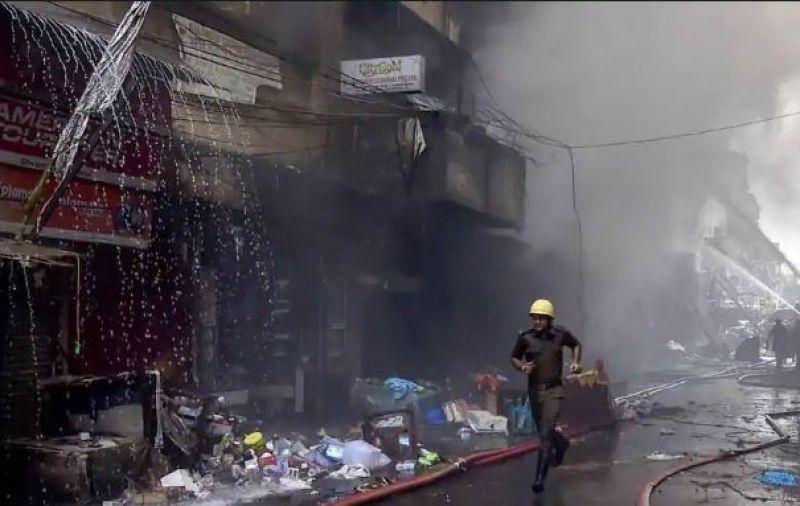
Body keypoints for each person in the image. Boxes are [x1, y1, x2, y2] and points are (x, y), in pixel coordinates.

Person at [511, 298, 582, 494]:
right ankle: (562, 443)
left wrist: (576, 362)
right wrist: (522, 366)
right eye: (534, 318)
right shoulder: (526, 338)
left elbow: (576, 344)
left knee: (544, 434)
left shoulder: (560, 334)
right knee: (544, 430)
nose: (537, 322)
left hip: (554, 390)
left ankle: (539, 479)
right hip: (535, 390)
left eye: (542, 318)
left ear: (549, 319)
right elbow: (514, 357)